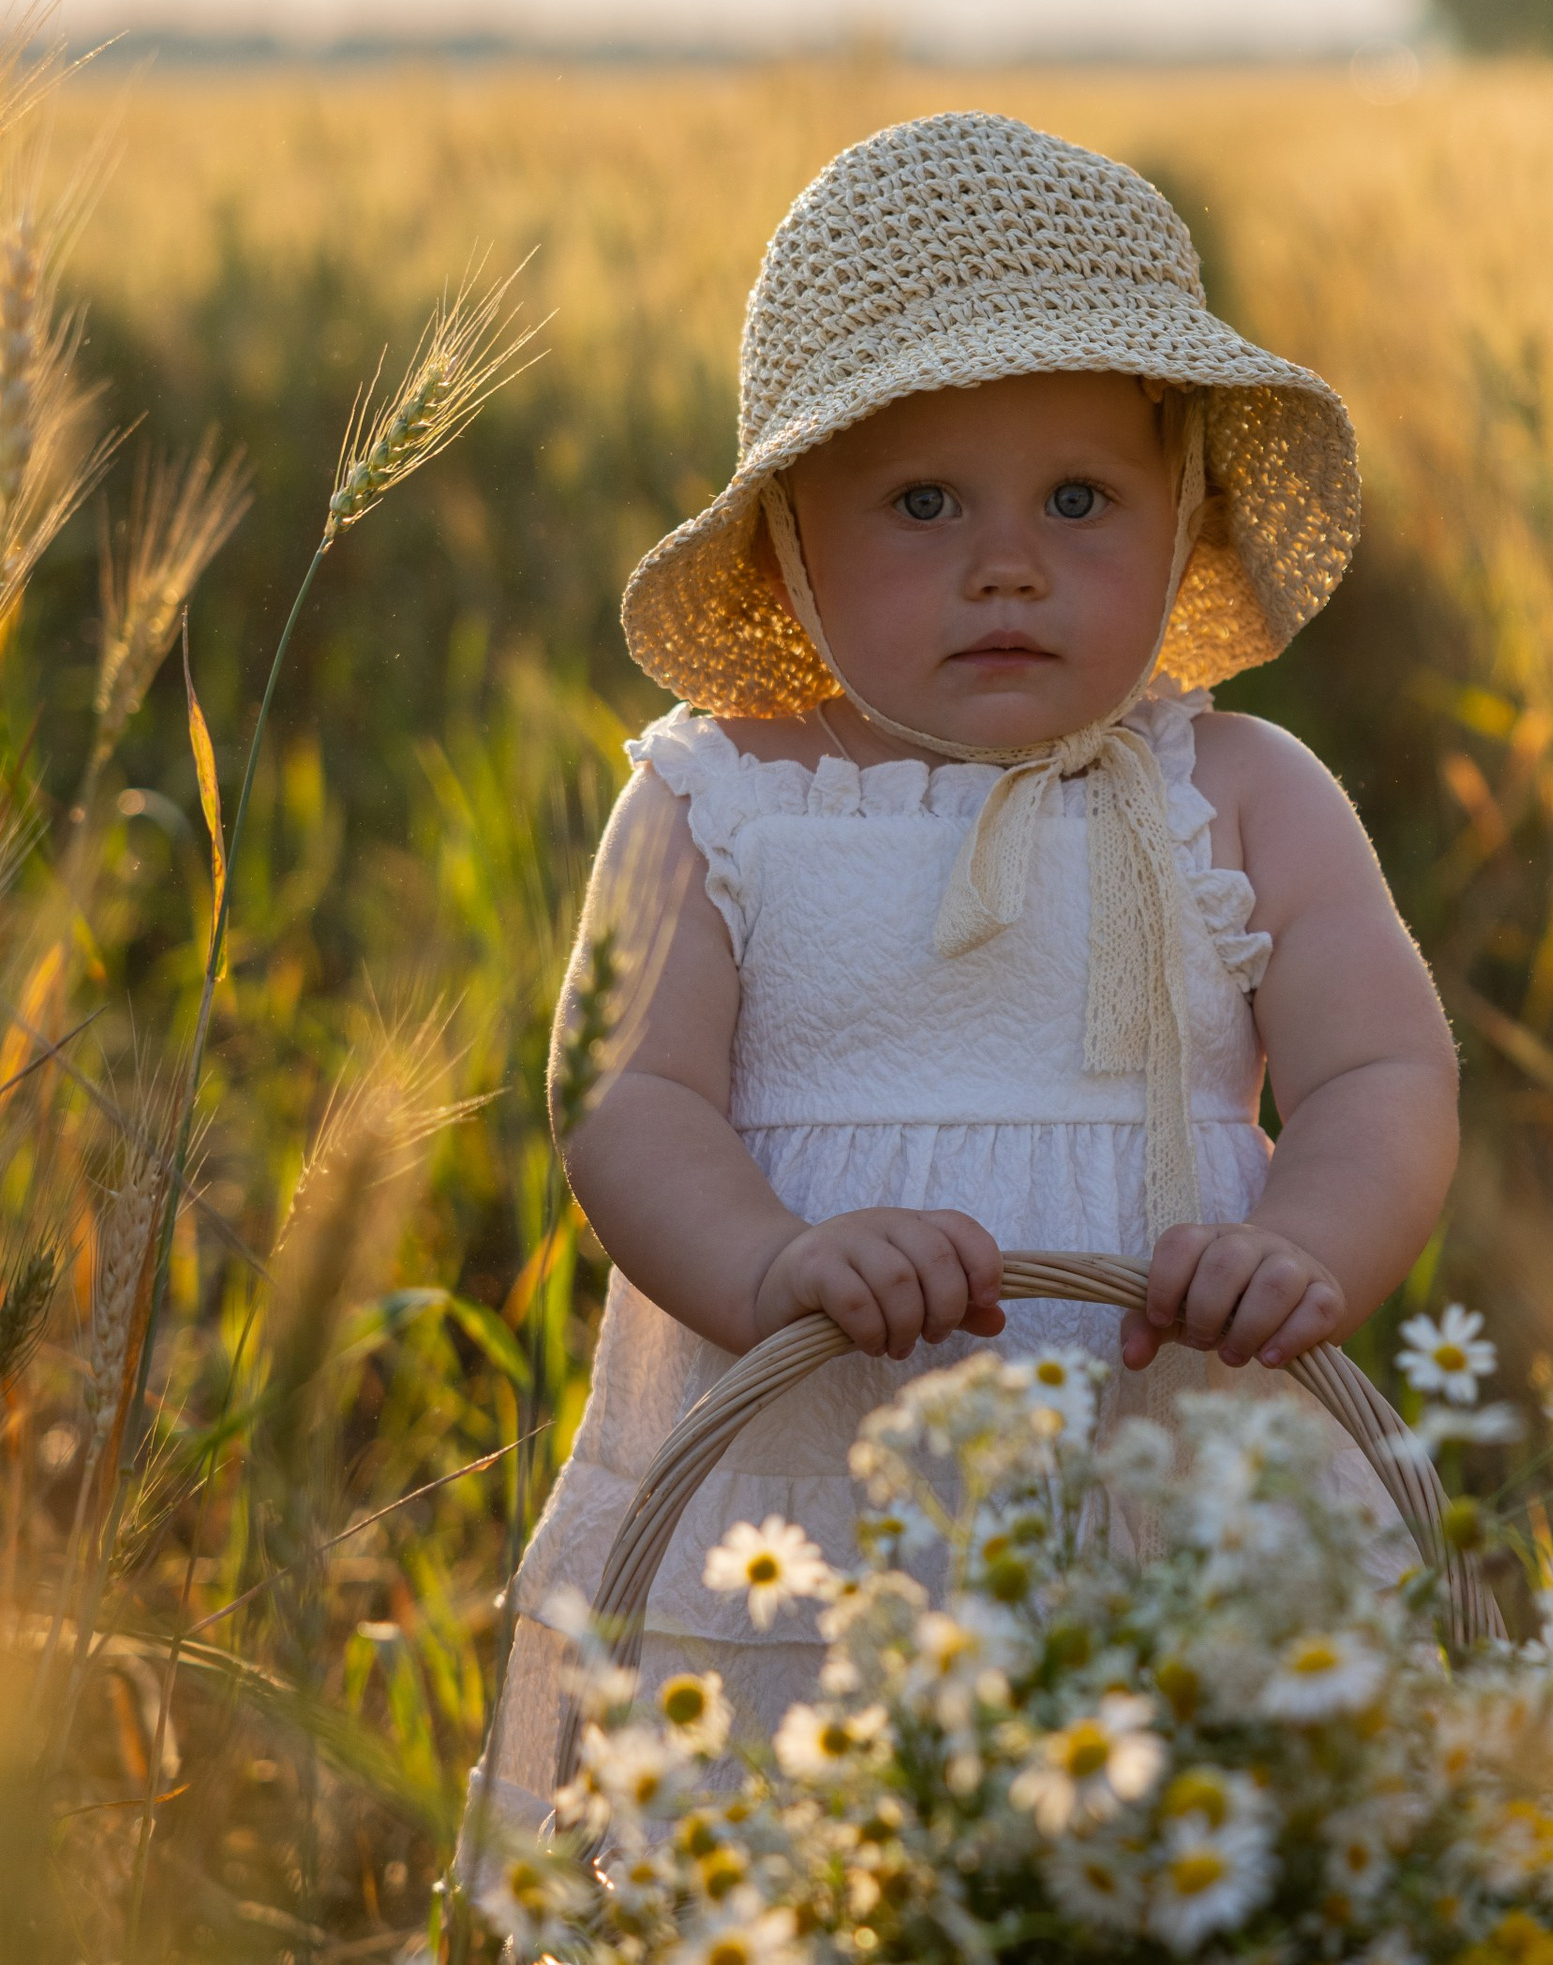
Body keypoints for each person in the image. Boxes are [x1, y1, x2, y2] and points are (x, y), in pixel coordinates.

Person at [486, 110, 1458, 1806]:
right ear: (790, 531)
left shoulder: (1240, 790)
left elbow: (1382, 1068)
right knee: (797, 1840)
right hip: (816, 1452)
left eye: (1081, 498)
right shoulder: (725, 796)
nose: (1006, 561)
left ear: (1183, 521)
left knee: (1188, 1828)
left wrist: (1304, 1247)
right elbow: (627, 1101)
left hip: (1172, 1414)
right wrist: (776, 1263)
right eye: (921, 501)